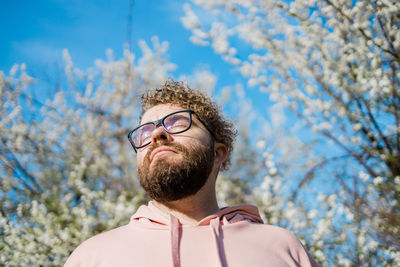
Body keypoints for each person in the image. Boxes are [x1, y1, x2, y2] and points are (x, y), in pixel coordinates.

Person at [64, 80, 319, 267]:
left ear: (218, 153)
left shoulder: (283, 248)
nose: (156, 134)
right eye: (144, 131)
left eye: (177, 122)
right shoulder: (92, 257)